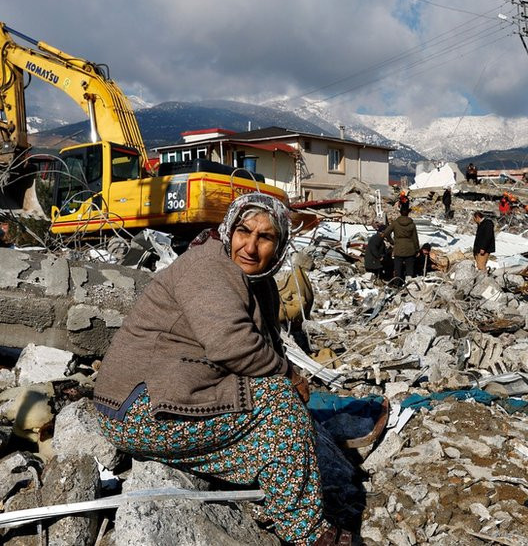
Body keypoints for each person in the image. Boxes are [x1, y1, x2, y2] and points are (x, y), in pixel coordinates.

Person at [93, 193, 353, 545]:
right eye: (244, 232)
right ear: (229, 229)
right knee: (278, 405)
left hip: (169, 394)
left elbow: (266, 346)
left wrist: (288, 375)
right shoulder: (208, 267)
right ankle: (307, 534)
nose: (250, 246)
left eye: (265, 237)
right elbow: (231, 344)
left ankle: (274, 498)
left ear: (279, 246)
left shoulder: (259, 284)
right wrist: (290, 376)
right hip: (137, 408)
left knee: (282, 416)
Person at [383, 204, 420, 284]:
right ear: (408, 213)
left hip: (398, 248)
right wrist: (417, 249)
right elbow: (415, 238)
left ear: (400, 213)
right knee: (409, 269)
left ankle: (397, 284)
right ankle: (409, 284)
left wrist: (392, 241)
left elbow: (386, 233)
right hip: (410, 248)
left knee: (398, 268)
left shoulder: (395, 223)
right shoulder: (412, 224)